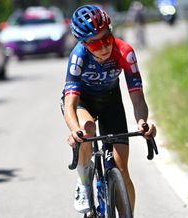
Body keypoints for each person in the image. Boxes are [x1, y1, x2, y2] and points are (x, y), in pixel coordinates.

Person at [60, 4, 157, 214]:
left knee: (122, 171)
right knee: (87, 131)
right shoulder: (78, 57)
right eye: (95, 45)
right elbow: (70, 104)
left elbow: (138, 98)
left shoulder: (125, 52)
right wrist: (75, 131)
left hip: (111, 100)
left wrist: (142, 122)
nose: (103, 47)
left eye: (106, 39)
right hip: (83, 102)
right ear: (84, 44)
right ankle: (84, 183)